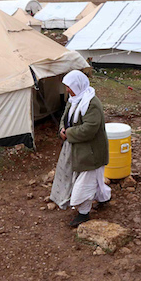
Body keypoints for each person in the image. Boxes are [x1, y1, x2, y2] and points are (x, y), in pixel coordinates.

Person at [57, 70, 110, 227]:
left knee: (85, 183)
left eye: (69, 86)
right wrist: (62, 129)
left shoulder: (92, 104)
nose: (67, 90)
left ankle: (83, 213)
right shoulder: (74, 100)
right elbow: (65, 118)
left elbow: (90, 128)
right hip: (80, 149)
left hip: (91, 152)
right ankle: (104, 199)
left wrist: (69, 133)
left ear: (78, 85)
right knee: (97, 179)